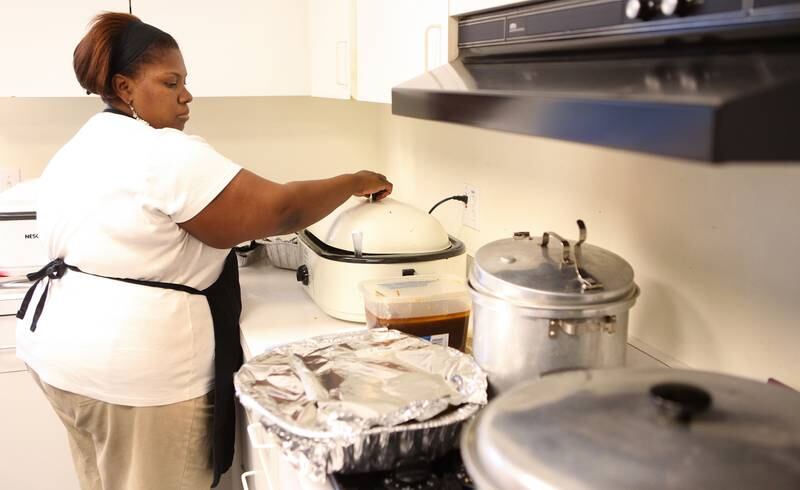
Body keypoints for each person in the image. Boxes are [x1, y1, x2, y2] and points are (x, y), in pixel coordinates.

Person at [15, 12, 392, 490]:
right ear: (125, 88)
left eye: (184, 81)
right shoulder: (164, 153)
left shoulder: (84, 143)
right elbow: (281, 211)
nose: (186, 95)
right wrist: (356, 180)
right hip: (134, 376)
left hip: (60, 357)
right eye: (170, 82)